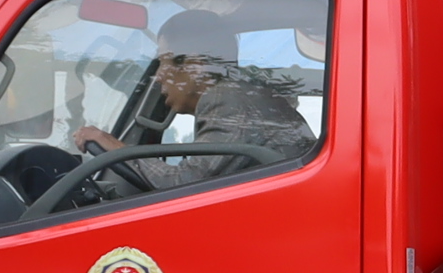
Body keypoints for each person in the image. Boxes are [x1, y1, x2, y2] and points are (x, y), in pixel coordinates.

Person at [72, 11, 317, 191]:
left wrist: (113, 147)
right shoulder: (242, 96)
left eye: (164, 62)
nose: (159, 76)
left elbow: (183, 184)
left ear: (195, 65)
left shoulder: (228, 99)